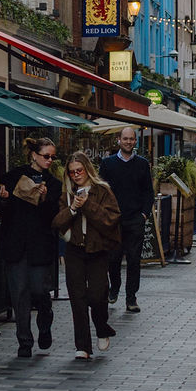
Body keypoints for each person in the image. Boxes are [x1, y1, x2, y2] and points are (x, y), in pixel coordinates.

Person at [0, 135, 62, 358]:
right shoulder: (12, 177)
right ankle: (24, 341)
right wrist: (2, 199)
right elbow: (2, 209)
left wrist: (44, 200)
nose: (50, 160)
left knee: (39, 290)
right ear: (34, 155)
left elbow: (53, 216)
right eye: (46, 156)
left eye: (53, 157)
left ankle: (45, 320)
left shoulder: (53, 184)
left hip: (40, 245)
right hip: (15, 244)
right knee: (19, 293)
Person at [52, 150, 121, 360]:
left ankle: (101, 327)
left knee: (98, 295)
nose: (76, 175)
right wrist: (72, 208)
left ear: (87, 169)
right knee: (77, 298)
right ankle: (82, 346)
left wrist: (87, 204)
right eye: (72, 172)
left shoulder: (102, 190)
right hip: (75, 250)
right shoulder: (66, 194)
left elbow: (111, 220)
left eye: (79, 170)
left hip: (98, 250)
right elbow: (56, 224)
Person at [99, 127, 153, 314]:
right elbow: (101, 191)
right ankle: (114, 289)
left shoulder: (142, 164)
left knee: (134, 260)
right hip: (114, 221)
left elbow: (148, 192)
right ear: (119, 140)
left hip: (134, 220)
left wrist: (144, 214)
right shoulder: (107, 164)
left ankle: (131, 298)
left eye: (132, 139)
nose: (129, 142)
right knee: (113, 259)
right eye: (125, 139)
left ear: (135, 141)